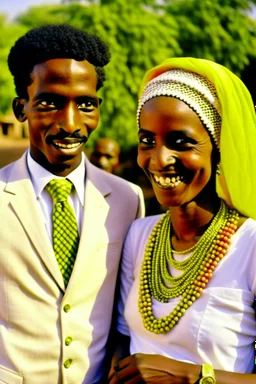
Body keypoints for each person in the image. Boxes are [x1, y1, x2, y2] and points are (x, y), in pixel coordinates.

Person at [0, 24, 145, 384]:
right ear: (22, 108)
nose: (70, 123)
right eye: (50, 103)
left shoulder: (127, 199)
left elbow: (125, 307)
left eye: (85, 105)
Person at [108, 57, 256, 384]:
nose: (159, 160)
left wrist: (189, 376)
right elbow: (122, 337)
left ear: (219, 149)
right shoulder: (139, 234)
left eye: (181, 142)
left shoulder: (250, 246)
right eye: (148, 141)